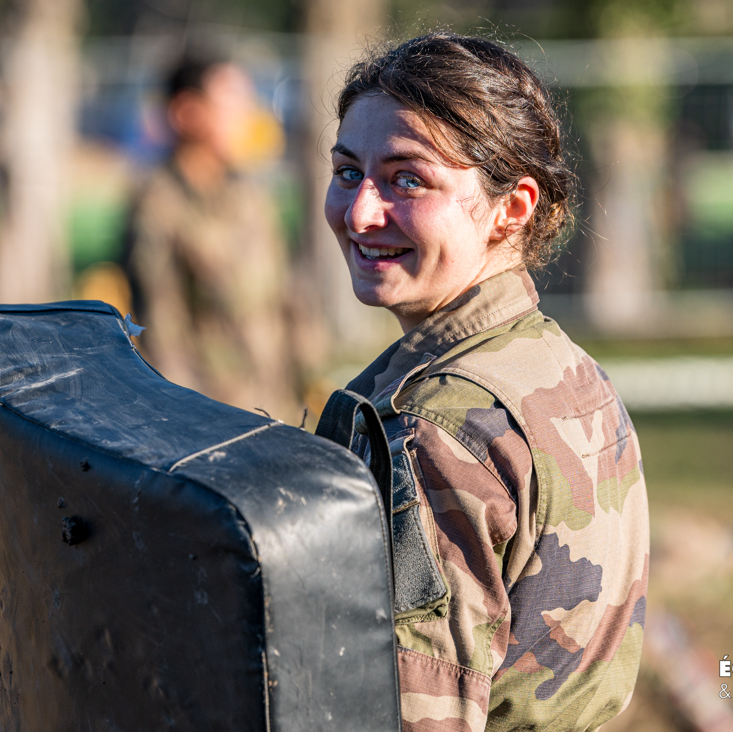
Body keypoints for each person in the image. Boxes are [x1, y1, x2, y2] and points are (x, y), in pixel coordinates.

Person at [325, 33, 649, 731]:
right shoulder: (563, 368)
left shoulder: (435, 428)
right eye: (349, 172)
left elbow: (416, 713)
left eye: (407, 179)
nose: (359, 213)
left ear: (513, 207)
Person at [123, 54, 299, 420]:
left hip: (273, 410)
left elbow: (282, 302)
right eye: (231, 104)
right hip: (210, 420)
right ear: (186, 112)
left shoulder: (251, 197)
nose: (247, 117)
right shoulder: (159, 206)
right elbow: (159, 331)